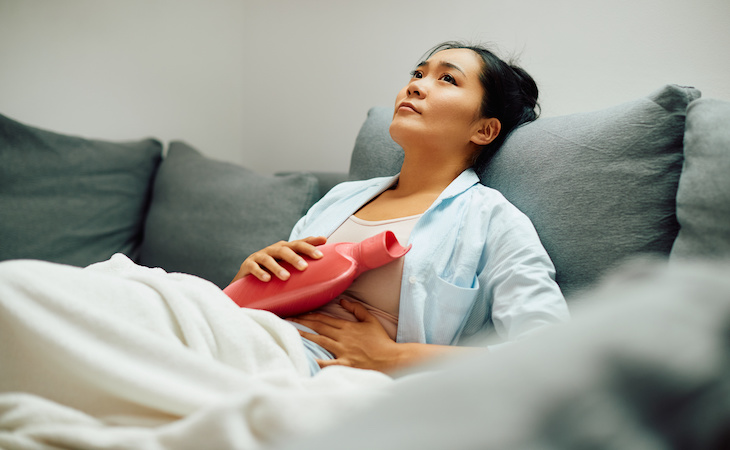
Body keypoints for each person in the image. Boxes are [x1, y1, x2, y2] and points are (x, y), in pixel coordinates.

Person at [230, 41, 570, 375]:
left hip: (316, 374)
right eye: (418, 74)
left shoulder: (494, 220)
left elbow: (550, 352)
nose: (416, 86)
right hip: (255, 336)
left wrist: (395, 357)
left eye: (447, 79)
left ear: (484, 129)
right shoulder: (339, 199)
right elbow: (267, 299)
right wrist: (249, 277)